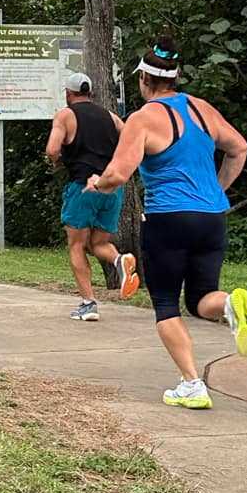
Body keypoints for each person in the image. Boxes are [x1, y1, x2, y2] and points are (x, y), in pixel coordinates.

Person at [88, 37, 247, 409]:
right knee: (201, 299)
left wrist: (97, 183)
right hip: (212, 217)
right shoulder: (202, 109)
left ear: (143, 79)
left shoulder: (142, 119)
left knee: (166, 303)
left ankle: (192, 384)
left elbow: (118, 174)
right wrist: (216, 189)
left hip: (168, 219)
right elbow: (240, 148)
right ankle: (230, 304)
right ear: (175, 77)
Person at [46, 72, 139, 320]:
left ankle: (88, 304)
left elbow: (52, 149)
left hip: (83, 188)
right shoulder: (110, 116)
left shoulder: (65, 115)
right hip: (111, 188)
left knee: (76, 245)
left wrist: (59, 161)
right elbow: (131, 142)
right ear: (90, 92)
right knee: (98, 244)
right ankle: (119, 260)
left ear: (68, 93)